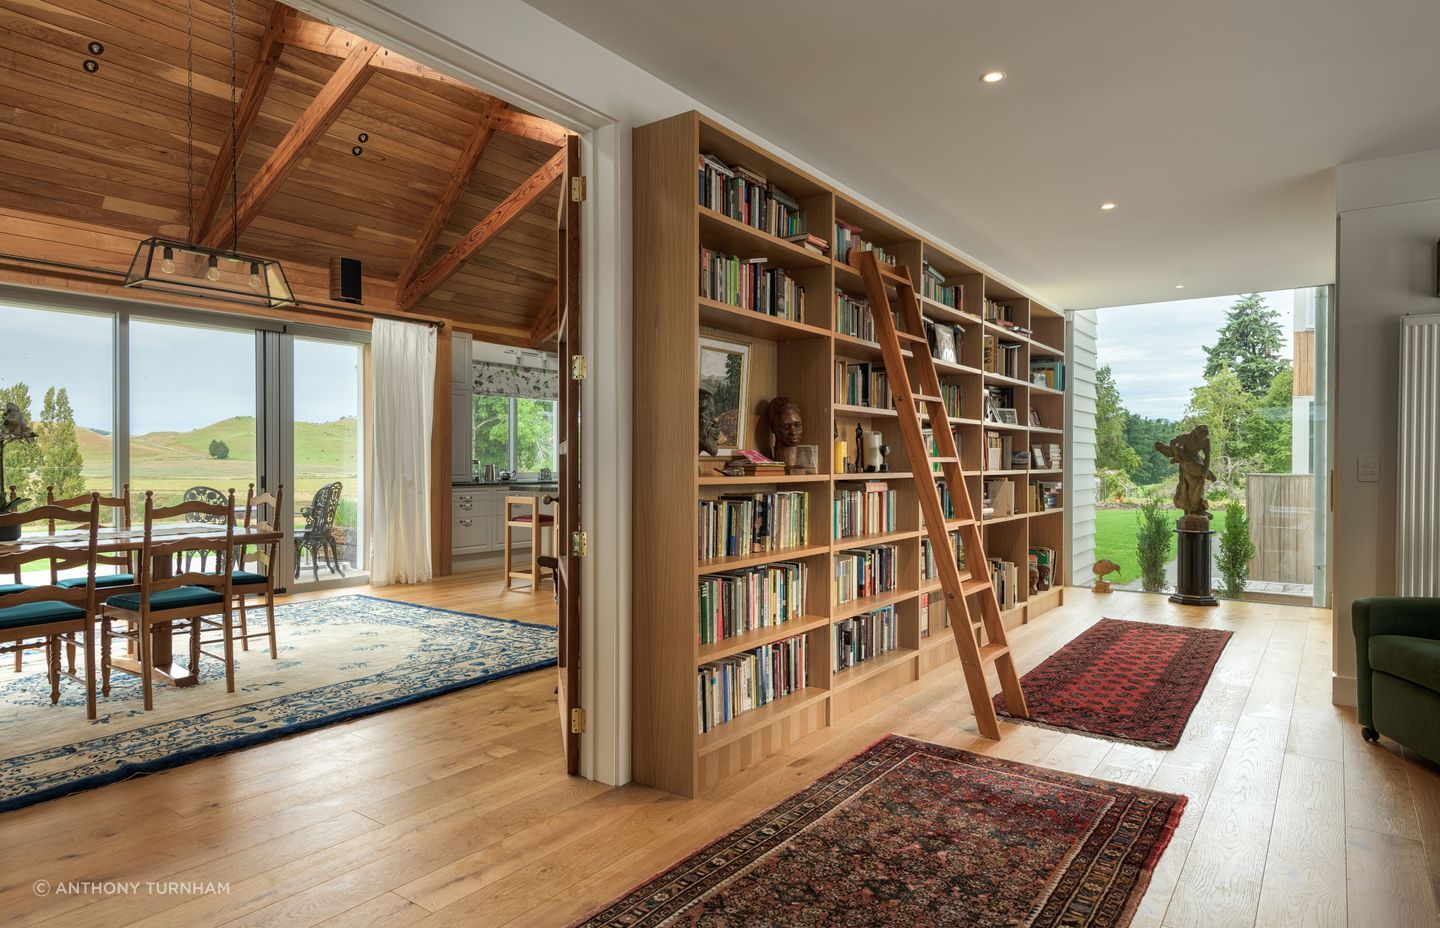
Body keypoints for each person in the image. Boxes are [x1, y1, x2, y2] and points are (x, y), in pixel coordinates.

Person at [1155, 424, 1217, 527]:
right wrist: (1178, 456)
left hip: (1197, 461)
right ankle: (1189, 509)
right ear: (1196, 433)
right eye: (1202, 434)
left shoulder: (1206, 441)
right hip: (1186, 462)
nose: (1203, 437)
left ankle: (1197, 509)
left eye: (1205, 435)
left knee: (1199, 485)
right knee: (1189, 485)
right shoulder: (1185, 438)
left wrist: (1205, 471)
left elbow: (1207, 456)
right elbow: (1172, 442)